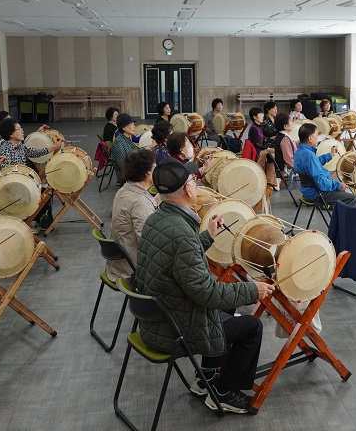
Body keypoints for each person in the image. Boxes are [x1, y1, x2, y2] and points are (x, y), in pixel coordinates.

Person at [134, 160, 275, 414]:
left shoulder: (157, 219)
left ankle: (205, 379)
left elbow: (178, 258)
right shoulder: (181, 233)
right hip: (173, 330)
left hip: (157, 319)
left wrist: (208, 236)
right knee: (251, 327)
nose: (196, 183)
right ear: (188, 190)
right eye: (193, 181)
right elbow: (206, 293)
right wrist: (253, 290)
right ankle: (224, 392)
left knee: (227, 306)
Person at [107, 149, 158, 280]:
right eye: (155, 166)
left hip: (119, 264)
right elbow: (147, 242)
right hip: (134, 269)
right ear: (147, 172)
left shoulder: (124, 190)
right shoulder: (140, 202)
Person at [293, 122, 356, 207]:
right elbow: (321, 183)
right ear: (310, 139)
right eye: (317, 135)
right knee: (353, 198)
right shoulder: (309, 156)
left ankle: (338, 211)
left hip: (309, 191)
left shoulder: (300, 152)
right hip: (317, 193)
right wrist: (337, 185)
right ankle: (342, 215)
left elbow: (315, 163)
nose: (318, 138)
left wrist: (330, 154)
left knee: (343, 193)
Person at [110, 113, 138, 186]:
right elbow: (123, 165)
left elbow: (134, 154)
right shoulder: (119, 142)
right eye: (131, 124)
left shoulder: (127, 138)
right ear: (124, 128)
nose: (134, 126)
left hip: (132, 169)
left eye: (134, 124)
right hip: (126, 176)